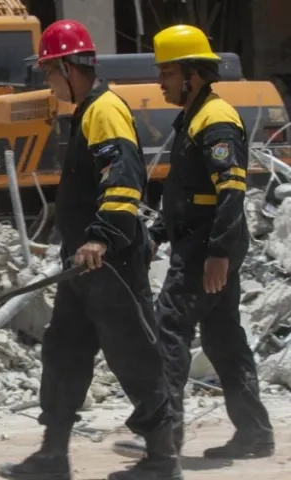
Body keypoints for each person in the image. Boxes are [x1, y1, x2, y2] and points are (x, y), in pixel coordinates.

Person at [0, 20, 182, 480]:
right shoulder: (87, 111)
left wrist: (101, 236)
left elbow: (122, 178)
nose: (47, 81)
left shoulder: (105, 110)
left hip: (110, 261)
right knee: (63, 352)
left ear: (67, 66)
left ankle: (162, 459)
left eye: (48, 71)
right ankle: (53, 455)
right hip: (84, 264)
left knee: (133, 356)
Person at [111, 24, 275, 461]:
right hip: (202, 241)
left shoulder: (215, 119)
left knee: (168, 328)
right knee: (224, 341)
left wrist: (218, 252)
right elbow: (189, 194)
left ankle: (163, 437)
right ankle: (255, 434)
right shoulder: (195, 116)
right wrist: (158, 234)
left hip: (206, 248)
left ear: (192, 74)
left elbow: (231, 191)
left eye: (167, 72)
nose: (160, 81)